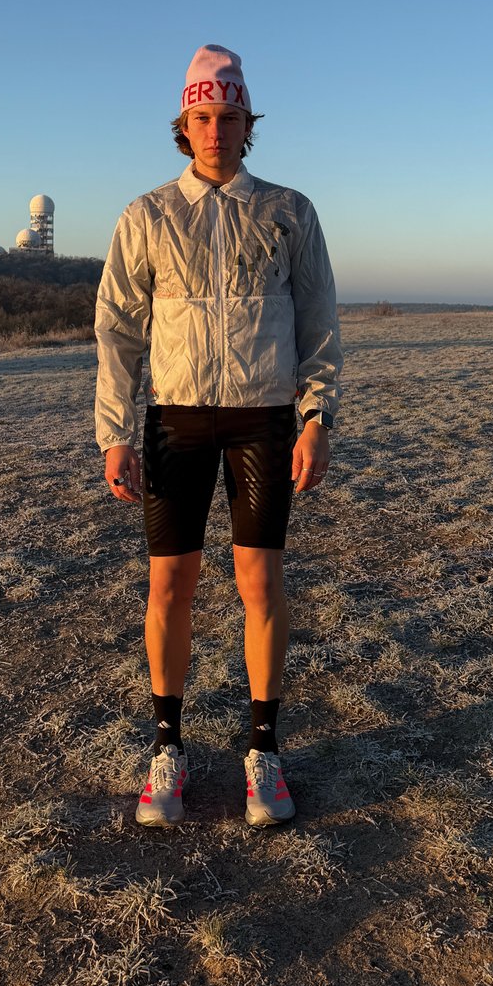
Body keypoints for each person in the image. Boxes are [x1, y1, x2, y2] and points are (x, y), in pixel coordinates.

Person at [94, 44, 342, 828]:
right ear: (185, 123)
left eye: (229, 117)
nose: (216, 131)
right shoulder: (146, 215)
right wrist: (114, 431)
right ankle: (166, 747)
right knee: (170, 585)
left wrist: (316, 418)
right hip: (174, 419)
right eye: (202, 117)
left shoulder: (290, 210)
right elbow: (118, 330)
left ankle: (263, 752)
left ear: (247, 123)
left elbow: (319, 325)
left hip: (263, 417)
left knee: (260, 583)